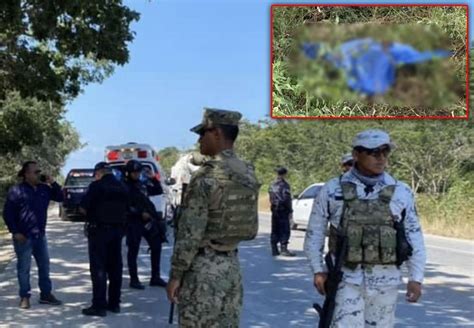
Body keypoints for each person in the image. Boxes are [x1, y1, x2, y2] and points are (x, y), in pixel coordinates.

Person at [304, 129, 426, 328]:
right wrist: (318, 270)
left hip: (385, 282)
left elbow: (414, 235)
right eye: (373, 152)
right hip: (346, 279)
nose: (381, 158)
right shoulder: (333, 189)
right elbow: (314, 233)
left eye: (385, 152)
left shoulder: (401, 191)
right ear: (356, 154)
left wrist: (416, 278)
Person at [166, 108, 260, 327]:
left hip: (203, 270)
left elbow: (190, 233)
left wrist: (176, 275)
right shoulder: (247, 172)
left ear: (216, 133)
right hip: (232, 267)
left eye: (203, 133)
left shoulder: (206, 176)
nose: (199, 140)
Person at [2, 161, 63, 309]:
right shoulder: (17, 190)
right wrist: (15, 232)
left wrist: (53, 182)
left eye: (39, 171)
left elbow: (61, 197)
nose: (38, 174)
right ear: (26, 174)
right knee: (24, 268)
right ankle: (24, 296)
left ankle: (46, 295)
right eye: (35, 172)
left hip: (39, 236)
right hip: (23, 237)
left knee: (44, 266)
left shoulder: (44, 189)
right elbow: (7, 213)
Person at [79, 162, 129, 317]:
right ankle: (114, 304)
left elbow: (83, 207)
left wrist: (89, 214)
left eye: (96, 174)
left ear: (99, 172)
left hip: (99, 231)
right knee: (115, 268)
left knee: (99, 268)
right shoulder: (122, 187)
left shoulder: (96, 186)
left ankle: (99, 306)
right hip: (117, 231)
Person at [125, 159, 167, 289]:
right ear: (129, 173)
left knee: (156, 246)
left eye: (138, 172)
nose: (137, 174)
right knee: (133, 250)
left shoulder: (142, 184)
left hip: (148, 221)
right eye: (134, 172)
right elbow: (125, 207)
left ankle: (155, 277)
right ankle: (134, 279)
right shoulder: (124, 186)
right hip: (134, 221)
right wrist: (138, 213)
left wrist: (153, 178)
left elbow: (158, 190)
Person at [268, 167, 295, 257]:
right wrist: (290, 210)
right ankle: (283, 248)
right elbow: (286, 199)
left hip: (274, 209)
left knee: (275, 228)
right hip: (283, 209)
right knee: (285, 229)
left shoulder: (272, 185)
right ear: (284, 174)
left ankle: (274, 248)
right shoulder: (285, 185)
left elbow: (271, 197)